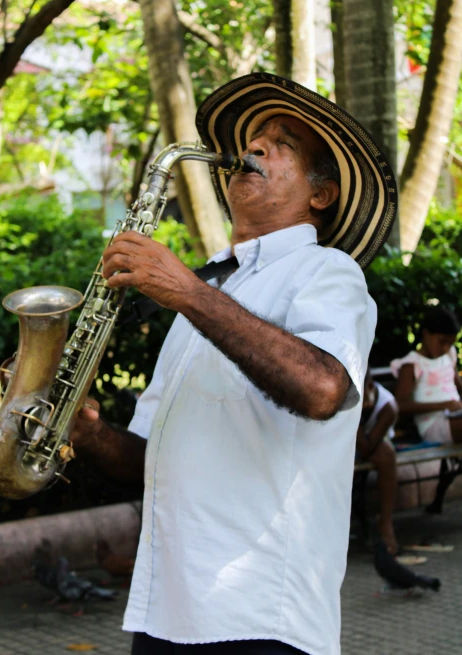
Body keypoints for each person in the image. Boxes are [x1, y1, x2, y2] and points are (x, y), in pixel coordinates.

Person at [71, 74, 398, 655]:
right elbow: (148, 459)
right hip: (164, 609)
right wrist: (86, 431)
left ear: (320, 196)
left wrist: (188, 294)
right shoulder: (202, 290)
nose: (256, 148)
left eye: (282, 145)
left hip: (261, 616)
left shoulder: (327, 273)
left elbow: (324, 388)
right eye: (256, 139)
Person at [391, 305, 462, 445]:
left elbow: (458, 385)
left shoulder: (449, 355)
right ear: (426, 334)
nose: (445, 348)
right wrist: (444, 405)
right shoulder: (412, 364)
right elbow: (400, 405)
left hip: (455, 417)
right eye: (442, 342)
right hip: (432, 425)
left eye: (450, 343)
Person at [356, 368, 398, 553]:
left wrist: (356, 420)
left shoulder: (388, 406)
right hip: (341, 446)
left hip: (370, 445)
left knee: (387, 454)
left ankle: (386, 522)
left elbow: (366, 448)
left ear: (371, 387)